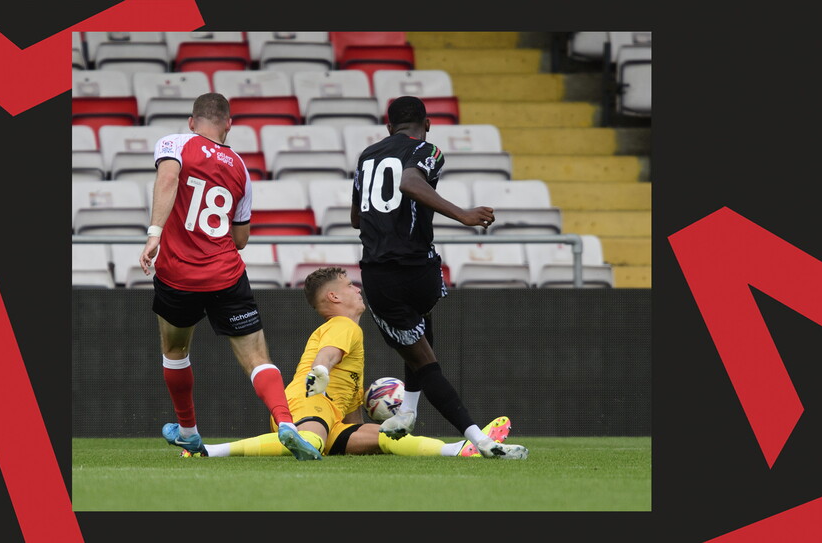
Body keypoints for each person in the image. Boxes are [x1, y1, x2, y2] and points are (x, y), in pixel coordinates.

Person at [138, 92, 321, 461]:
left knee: (175, 351)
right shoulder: (239, 166)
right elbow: (240, 239)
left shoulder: (175, 142)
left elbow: (169, 177)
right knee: (257, 357)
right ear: (228, 125)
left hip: (178, 275)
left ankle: (189, 432)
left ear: (192, 122)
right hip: (226, 274)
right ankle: (286, 422)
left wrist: (155, 232)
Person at [349, 95, 529, 459]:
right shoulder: (428, 149)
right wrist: (462, 215)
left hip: (382, 274)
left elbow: (361, 214)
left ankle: (480, 442)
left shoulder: (368, 155)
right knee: (420, 333)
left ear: (388, 128)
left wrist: (461, 214)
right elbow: (411, 182)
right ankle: (408, 412)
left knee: (423, 362)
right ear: (427, 123)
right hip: (423, 271)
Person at [181, 266, 513, 458]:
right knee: (310, 440)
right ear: (334, 297)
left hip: (332, 417)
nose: (358, 289)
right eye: (350, 285)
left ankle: (457, 450)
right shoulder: (342, 326)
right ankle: (209, 450)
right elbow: (328, 356)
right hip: (307, 404)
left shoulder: (349, 331)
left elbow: (351, 411)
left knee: (387, 437)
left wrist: (368, 418)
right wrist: (321, 372)